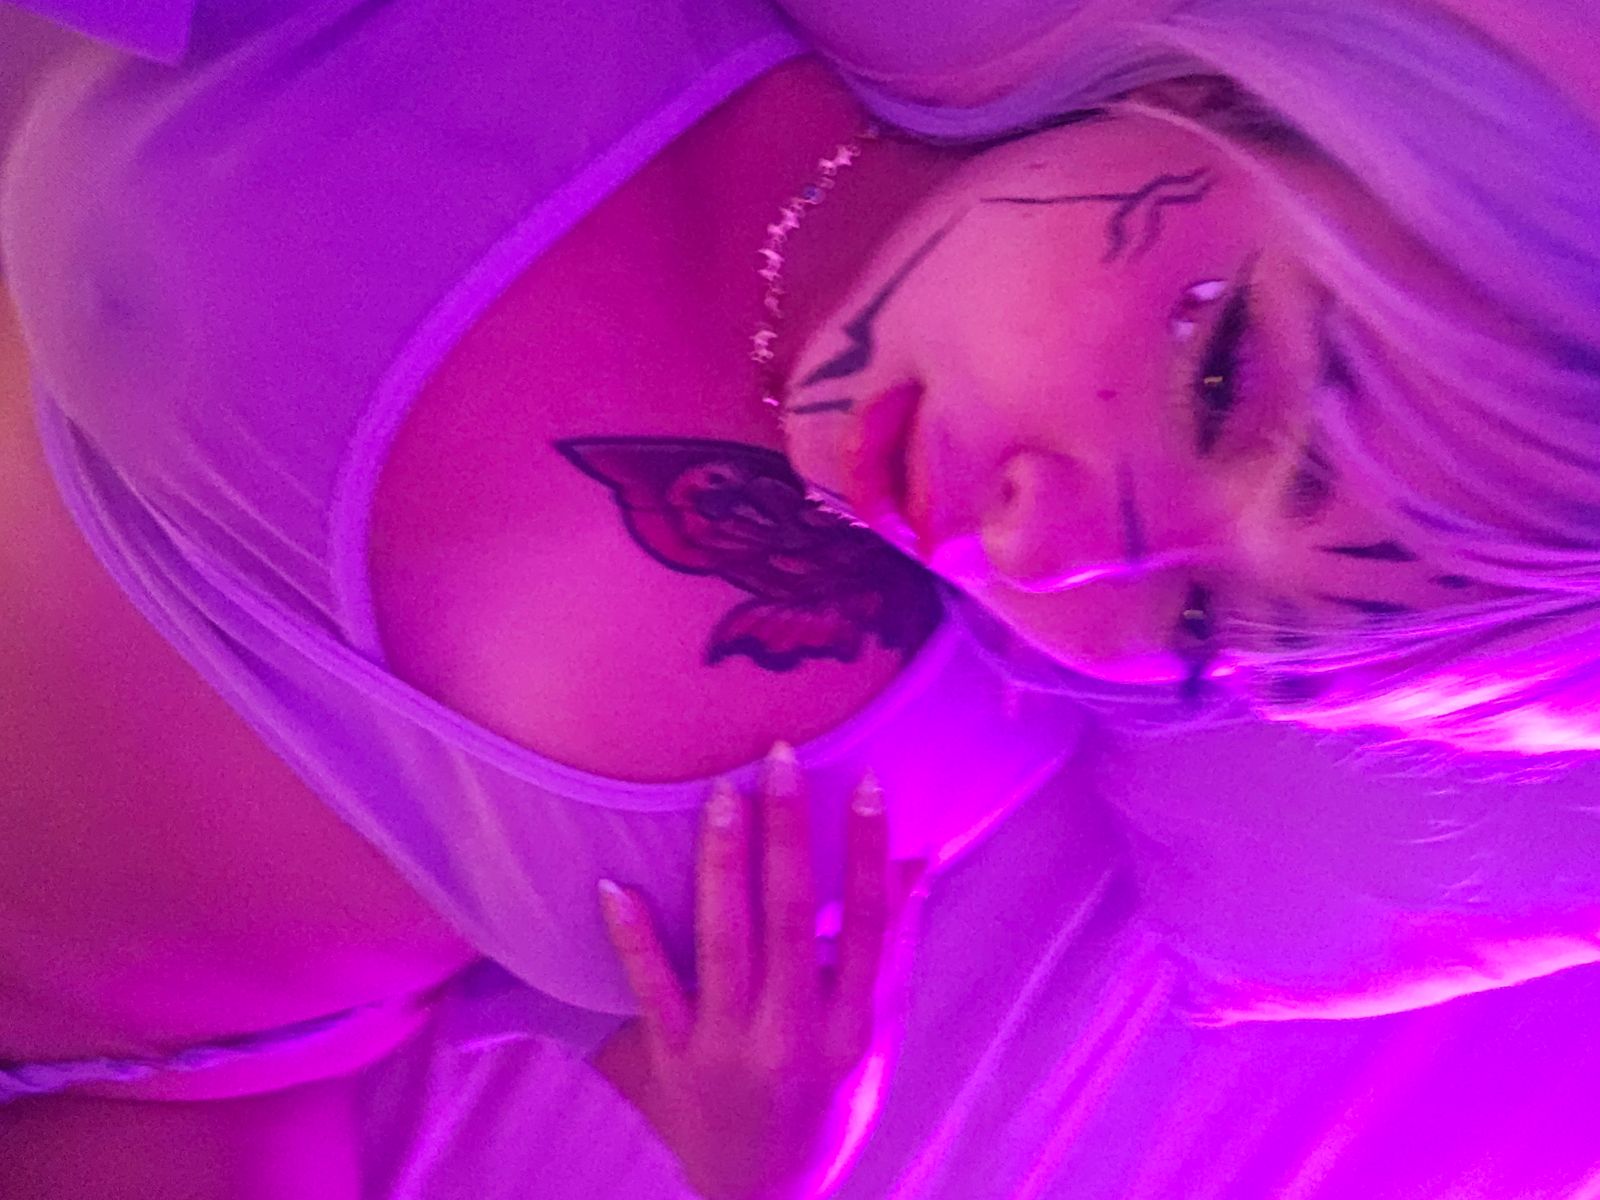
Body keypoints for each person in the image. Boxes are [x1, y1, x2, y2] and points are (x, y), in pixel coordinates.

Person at [0, 0, 1596, 1196]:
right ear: (1230, 99)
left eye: (1205, 631)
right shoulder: (560, 35)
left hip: (133, 1074)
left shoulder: (916, 780)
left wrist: (736, 1157)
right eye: (1221, 377)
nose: (1047, 556)